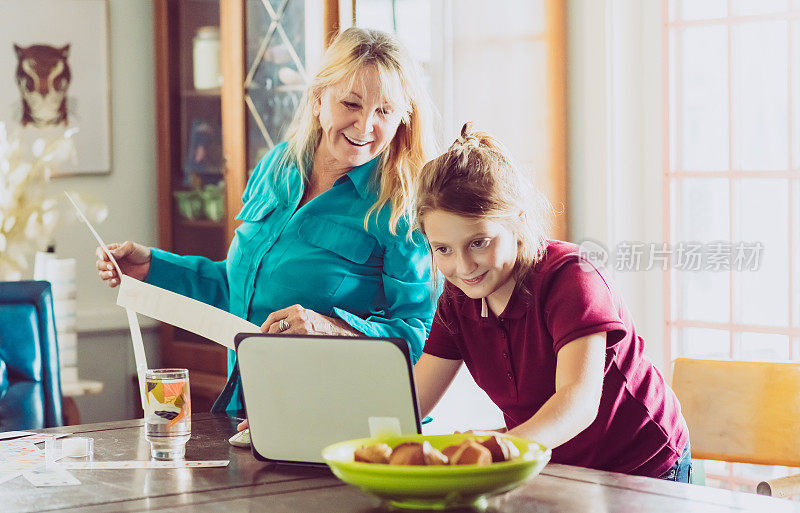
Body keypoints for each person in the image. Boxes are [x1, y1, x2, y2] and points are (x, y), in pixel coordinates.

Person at [96, 27, 438, 419]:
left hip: (344, 422)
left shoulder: (403, 205)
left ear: (403, 117)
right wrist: (152, 267)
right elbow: (238, 287)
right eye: (352, 104)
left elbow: (419, 338)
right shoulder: (278, 166)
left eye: (384, 111)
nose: (365, 127)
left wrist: (329, 328)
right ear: (318, 99)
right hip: (251, 411)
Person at [411, 123, 691, 482]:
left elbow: (578, 401)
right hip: (559, 468)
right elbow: (414, 401)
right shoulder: (456, 301)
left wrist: (501, 450)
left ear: (518, 222)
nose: (463, 267)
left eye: (479, 242)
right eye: (443, 249)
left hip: (644, 469)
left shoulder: (573, 278)